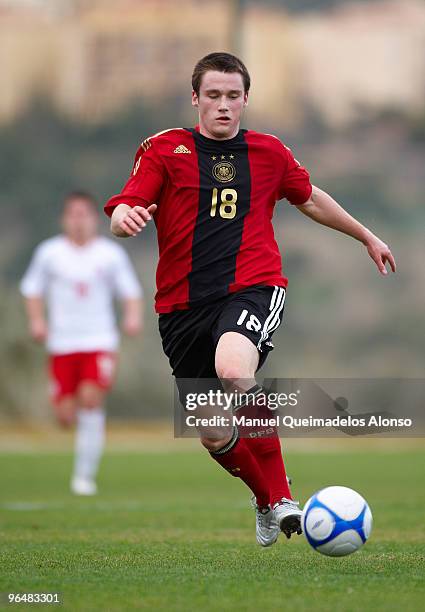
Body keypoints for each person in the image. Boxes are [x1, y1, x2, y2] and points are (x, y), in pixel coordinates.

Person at [104, 52, 396, 545]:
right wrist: (122, 220)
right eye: (213, 96)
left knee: (235, 369)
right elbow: (128, 203)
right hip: (180, 306)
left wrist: (366, 235)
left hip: (253, 286)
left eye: (233, 97)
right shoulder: (162, 149)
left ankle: (283, 496)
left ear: (245, 100)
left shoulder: (269, 152)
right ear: (195, 98)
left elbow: (309, 197)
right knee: (214, 433)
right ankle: (264, 501)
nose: (223, 106)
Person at [21, 191, 143, 496]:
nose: (78, 221)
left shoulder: (110, 254)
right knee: (65, 416)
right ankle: (81, 456)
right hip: (62, 343)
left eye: (84, 215)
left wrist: (132, 317)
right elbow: (32, 289)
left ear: (94, 219)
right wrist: (37, 321)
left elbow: (130, 291)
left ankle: (84, 476)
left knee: (90, 400)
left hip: (99, 340)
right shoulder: (49, 253)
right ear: (65, 219)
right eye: (72, 215)